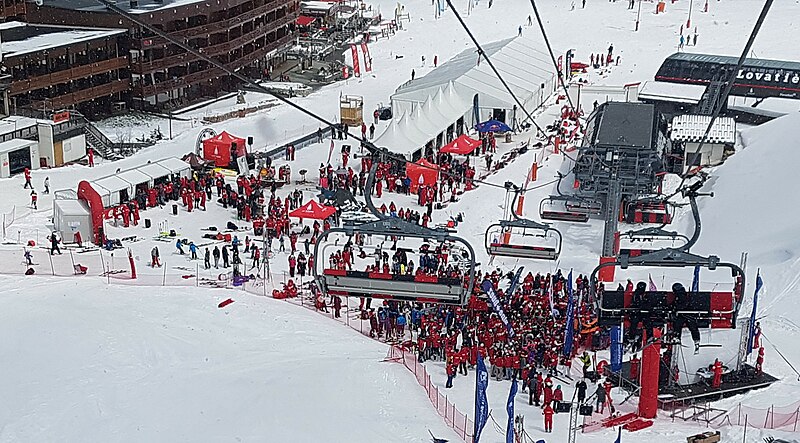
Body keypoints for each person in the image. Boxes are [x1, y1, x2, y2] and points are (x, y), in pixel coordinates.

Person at [671, 282, 701, 353]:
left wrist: (675, 308)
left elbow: (682, 304)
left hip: (685, 314)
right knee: (693, 328)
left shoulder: (681, 295)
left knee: (678, 325)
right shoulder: (683, 294)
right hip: (688, 314)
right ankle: (696, 340)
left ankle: (677, 337)